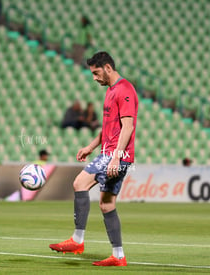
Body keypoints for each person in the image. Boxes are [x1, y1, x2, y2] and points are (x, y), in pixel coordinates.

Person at [49, 51, 138, 267]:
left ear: (108, 68)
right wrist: (90, 147)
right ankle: (118, 256)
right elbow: (108, 126)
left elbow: (128, 126)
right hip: (110, 152)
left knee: (79, 182)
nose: (95, 78)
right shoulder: (111, 91)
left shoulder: (124, 89)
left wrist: (116, 157)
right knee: (107, 205)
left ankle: (77, 240)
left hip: (116, 154)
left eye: (97, 73)